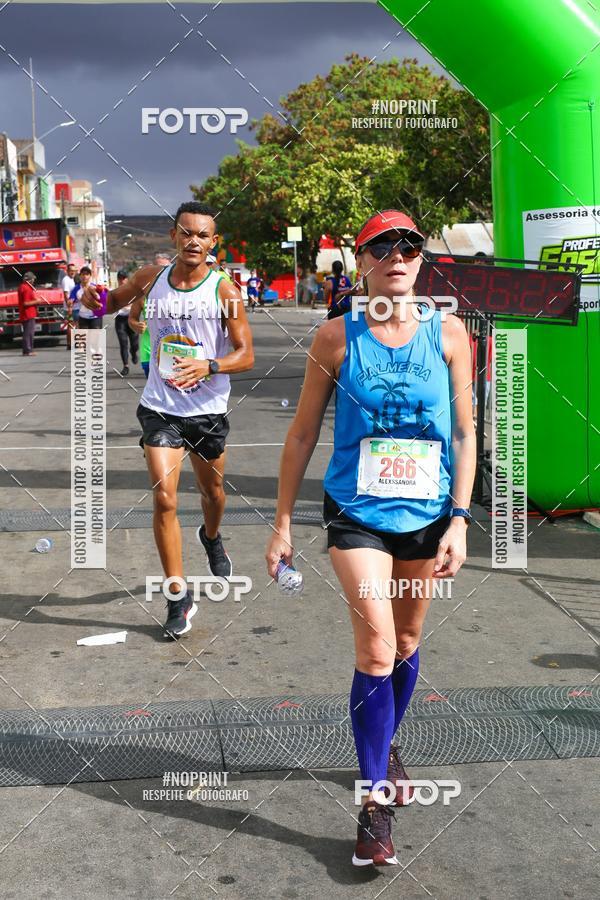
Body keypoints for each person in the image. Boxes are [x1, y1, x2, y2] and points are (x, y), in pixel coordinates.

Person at [266, 210, 476, 867]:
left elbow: (467, 434)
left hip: (427, 514)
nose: (396, 255)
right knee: (379, 649)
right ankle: (373, 803)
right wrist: (278, 524)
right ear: (359, 263)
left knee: (410, 640)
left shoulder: (449, 335)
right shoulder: (335, 338)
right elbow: (302, 434)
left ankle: (384, 742)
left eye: (408, 245)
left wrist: (462, 520)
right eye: (381, 246)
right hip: (355, 511)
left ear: (420, 261)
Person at [81, 201, 255, 639]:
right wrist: (91, 297)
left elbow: (245, 354)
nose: (194, 241)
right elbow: (108, 304)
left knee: (212, 492)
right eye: (187, 233)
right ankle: (178, 596)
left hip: (207, 411)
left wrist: (209, 366)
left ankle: (211, 537)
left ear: (213, 243)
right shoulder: (150, 278)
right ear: (174, 236)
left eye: (203, 235)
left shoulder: (224, 291)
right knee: (164, 499)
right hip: (161, 407)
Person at [114, 269, 139, 376]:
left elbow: (139, 303)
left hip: (132, 318)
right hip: (120, 319)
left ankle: (133, 353)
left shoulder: (133, 290)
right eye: (120, 278)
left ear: (127, 279)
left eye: (124, 278)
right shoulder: (114, 292)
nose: (122, 280)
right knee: (123, 343)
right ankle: (125, 366)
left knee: (134, 344)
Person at [18, 271, 38, 357]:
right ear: (30, 280)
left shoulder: (23, 287)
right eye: (33, 279)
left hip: (26, 313)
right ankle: (28, 350)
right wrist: (37, 301)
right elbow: (26, 303)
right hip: (28, 314)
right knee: (29, 333)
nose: (33, 281)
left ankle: (27, 350)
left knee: (28, 332)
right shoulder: (26, 288)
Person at [62, 263, 77, 350]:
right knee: (71, 325)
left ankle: (71, 343)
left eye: (74, 270)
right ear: (67, 271)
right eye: (71, 270)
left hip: (74, 307)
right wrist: (69, 307)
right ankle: (70, 344)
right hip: (70, 308)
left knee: (73, 325)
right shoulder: (66, 280)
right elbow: (66, 294)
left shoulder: (72, 279)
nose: (73, 272)